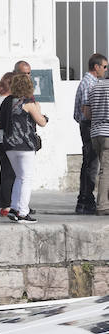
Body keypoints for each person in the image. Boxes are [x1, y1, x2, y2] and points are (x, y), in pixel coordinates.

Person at [0, 73, 48, 223]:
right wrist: (40, 111)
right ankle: (23, 212)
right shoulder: (28, 103)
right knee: (26, 178)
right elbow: (41, 122)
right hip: (25, 145)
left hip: (9, 145)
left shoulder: (7, 102)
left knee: (19, 177)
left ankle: (14, 208)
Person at [74, 53, 108, 214]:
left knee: (90, 163)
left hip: (89, 126)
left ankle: (85, 199)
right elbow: (86, 110)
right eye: (104, 66)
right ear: (96, 67)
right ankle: (86, 200)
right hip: (90, 125)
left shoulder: (90, 82)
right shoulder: (90, 83)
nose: (105, 70)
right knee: (92, 165)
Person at [0, 72, 15, 216]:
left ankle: (7, 203)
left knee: (6, 172)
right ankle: (7, 204)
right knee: (9, 173)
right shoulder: (7, 100)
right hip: (6, 139)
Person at [88, 73, 109, 215]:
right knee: (106, 170)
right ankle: (102, 205)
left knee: (104, 168)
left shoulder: (95, 86)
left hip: (96, 132)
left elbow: (87, 112)